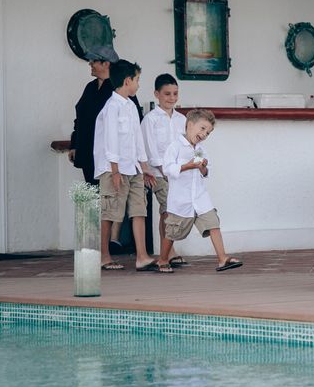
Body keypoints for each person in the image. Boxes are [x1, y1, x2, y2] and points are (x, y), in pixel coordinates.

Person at [159, 109, 243, 274]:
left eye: (208, 132)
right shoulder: (175, 146)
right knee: (172, 231)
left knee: (213, 223)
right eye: (202, 129)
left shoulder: (200, 149)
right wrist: (187, 166)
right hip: (181, 200)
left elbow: (206, 172)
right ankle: (162, 259)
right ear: (190, 125)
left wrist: (202, 167)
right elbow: (167, 169)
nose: (204, 134)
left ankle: (222, 258)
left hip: (200, 197)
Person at [93, 60, 156, 271]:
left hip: (134, 168)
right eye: (137, 80)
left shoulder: (131, 105)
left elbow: (137, 138)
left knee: (139, 209)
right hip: (114, 169)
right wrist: (115, 170)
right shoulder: (111, 107)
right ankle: (104, 256)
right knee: (110, 211)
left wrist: (144, 166)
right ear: (127, 80)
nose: (138, 84)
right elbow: (111, 140)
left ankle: (142, 256)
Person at [141, 74, 187, 268]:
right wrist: (165, 170)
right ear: (156, 94)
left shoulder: (182, 119)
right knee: (167, 211)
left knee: (172, 212)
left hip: (178, 174)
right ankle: (166, 253)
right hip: (158, 174)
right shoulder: (150, 120)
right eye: (167, 94)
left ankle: (168, 250)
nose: (171, 98)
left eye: (175, 94)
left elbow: (185, 145)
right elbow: (150, 149)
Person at [69, 46, 119, 185]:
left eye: (94, 61)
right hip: (87, 153)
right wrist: (74, 144)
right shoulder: (90, 87)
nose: (90, 64)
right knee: (93, 200)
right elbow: (80, 118)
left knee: (110, 201)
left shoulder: (119, 88)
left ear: (106, 63)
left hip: (108, 158)